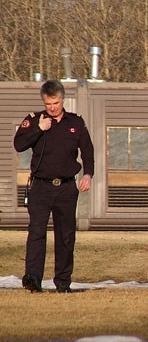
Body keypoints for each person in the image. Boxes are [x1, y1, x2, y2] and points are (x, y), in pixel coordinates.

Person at [13, 80, 95, 293]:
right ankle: (33, 278)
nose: (52, 107)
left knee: (66, 236)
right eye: (48, 103)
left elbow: (87, 151)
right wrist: (39, 130)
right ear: (44, 101)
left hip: (66, 188)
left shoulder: (75, 122)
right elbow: (19, 144)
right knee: (37, 232)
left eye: (56, 103)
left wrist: (88, 174)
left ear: (62, 99)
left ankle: (63, 282)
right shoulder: (34, 120)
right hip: (40, 187)